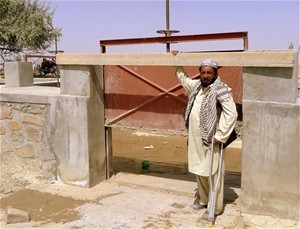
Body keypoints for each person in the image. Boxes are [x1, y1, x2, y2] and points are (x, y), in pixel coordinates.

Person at [172, 52, 238, 219]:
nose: (206, 75)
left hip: (213, 139)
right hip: (196, 138)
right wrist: (177, 61)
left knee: (213, 172)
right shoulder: (196, 87)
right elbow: (183, 79)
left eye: (209, 73)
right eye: (203, 72)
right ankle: (203, 199)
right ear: (200, 73)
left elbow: (231, 114)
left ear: (215, 73)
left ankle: (214, 208)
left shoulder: (221, 89)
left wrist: (221, 136)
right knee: (200, 170)